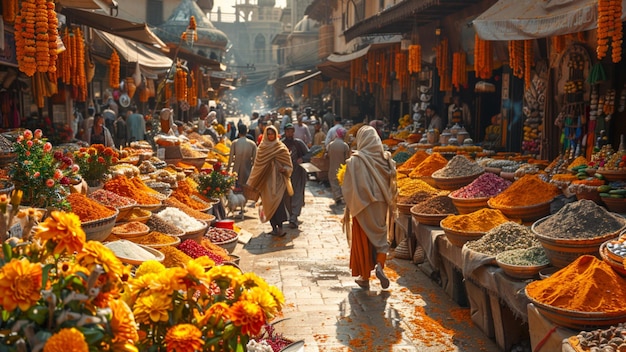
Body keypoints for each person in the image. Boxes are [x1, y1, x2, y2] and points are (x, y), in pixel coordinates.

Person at [341, 125, 396, 290]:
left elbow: (348, 186)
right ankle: (380, 264)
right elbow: (392, 180)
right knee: (380, 236)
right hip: (381, 203)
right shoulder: (387, 159)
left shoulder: (355, 160)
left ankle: (365, 276)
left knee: (363, 238)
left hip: (362, 205)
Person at [247, 125, 293, 237]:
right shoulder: (262, 148)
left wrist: (284, 169)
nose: (271, 136)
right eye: (269, 134)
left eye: (273, 134)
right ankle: (273, 228)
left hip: (278, 180)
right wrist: (253, 180)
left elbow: (289, 165)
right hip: (265, 181)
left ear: (276, 134)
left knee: (278, 203)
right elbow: (257, 165)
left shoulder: (281, 147)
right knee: (268, 204)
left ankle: (281, 228)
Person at [282, 123, 309, 228]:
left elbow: (309, 153)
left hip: (298, 174)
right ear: (285, 132)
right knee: (287, 196)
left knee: (297, 194)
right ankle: (290, 215)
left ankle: (294, 217)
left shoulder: (298, 143)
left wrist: (302, 159)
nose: (290, 133)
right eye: (288, 131)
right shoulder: (281, 144)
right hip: (285, 175)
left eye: (291, 131)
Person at [327, 127, 350, 205]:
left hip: (332, 166)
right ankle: (341, 196)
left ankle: (337, 197)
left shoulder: (331, 144)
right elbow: (347, 158)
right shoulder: (345, 145)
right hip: (342, 167)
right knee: (342, 182)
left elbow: (328, 155)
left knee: (334, 182)